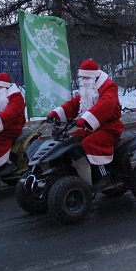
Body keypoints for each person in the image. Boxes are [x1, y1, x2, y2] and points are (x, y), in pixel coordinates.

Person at [48, 59, 124, 189]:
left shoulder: (109, 87)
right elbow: (75, 103)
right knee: (69, 141)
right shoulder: (89, 89)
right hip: (90, 128)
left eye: (86, 77)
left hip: (109, 128)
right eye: (82, 77)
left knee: (89, 144)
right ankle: (76, 174)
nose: (83, 79)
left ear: (93, 76)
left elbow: (106, 105)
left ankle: (104, 177)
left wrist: (86, 119)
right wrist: (57, 114)